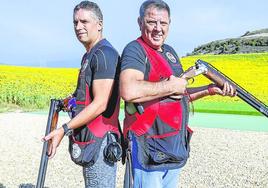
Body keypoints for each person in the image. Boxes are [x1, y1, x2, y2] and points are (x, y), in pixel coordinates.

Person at [119, 0, 236, 187]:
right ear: (140, 22)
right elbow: (129, 90)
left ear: (169, 24)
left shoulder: (170, 52)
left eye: (163, 23)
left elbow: (178, 92)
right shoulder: (135, 49)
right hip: (147, 148)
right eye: (151, 22)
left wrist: (209, 90)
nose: (158, 28)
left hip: (172, 147)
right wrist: (171, 86)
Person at [43, 1, 121, 187]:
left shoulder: (105, 54)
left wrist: (64, 129)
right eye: (75, 22)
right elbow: (85, 95)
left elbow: (100, 103)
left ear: (99, 24)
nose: (78, 27)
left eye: (84, 21)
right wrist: (68, 101)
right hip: (90, 138)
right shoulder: (89, 55)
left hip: (101, 140)